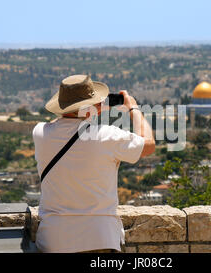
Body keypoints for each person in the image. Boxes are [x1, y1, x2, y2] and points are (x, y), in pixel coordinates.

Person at [33, 74, 155, 253]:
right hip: (99, 239)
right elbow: (149, 145)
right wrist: (133, 109)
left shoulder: (40, 133)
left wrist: (87, 108)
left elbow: (62, 123)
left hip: (54, 240)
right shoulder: (107, 136)